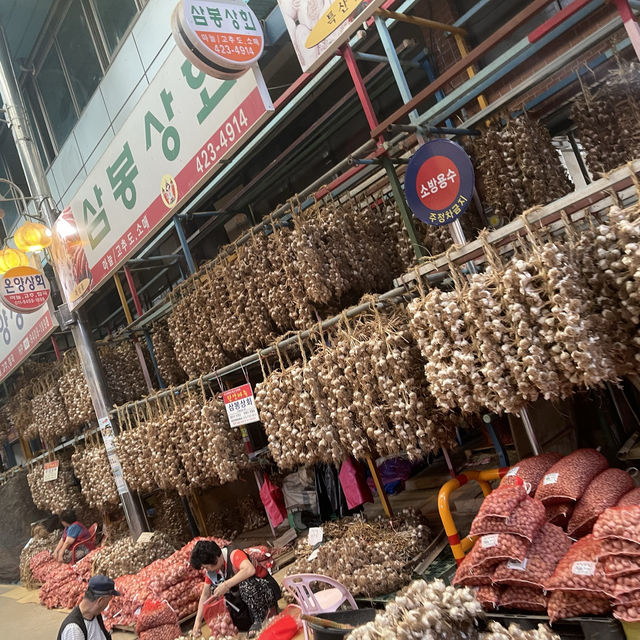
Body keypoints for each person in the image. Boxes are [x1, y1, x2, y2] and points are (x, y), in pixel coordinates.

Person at [190, 539, 280, 639]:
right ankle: (252, 619)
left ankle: (263, 615)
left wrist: (226, 585)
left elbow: (249, 570)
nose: (207, 570)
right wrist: (197, 622)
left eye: (207, 567)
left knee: (245, 584)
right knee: (220, 593)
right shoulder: (213, 571)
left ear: (215, 558)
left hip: (265, 589)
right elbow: (205, 595)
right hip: (247, 601)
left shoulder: (234, 554)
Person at [57, 574, 119, 640]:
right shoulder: (74, 630)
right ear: (100, 601)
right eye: (107, 601)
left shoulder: (95, 615)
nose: (107, 605)